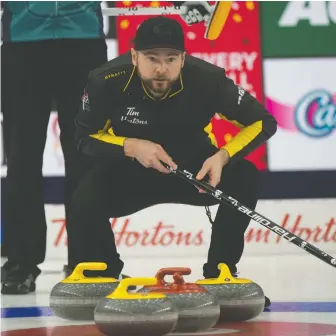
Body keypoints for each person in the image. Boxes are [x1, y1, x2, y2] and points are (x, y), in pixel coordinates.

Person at [69, 16, 277, 308]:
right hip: (131, 174)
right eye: (151, 58)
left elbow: (262, 121)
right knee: (84, 194)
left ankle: (220, 273)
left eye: (170, 59)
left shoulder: (208, 80)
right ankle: (106, 274)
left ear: (183, 59)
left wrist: (221, 156)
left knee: (244, 175)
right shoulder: (105, 80)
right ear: (133, 56)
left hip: (196, 175)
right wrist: (131, 145)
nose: (160, 69)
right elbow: (84, 137)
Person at [1, 1, 107, 294]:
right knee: (22, 159)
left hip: (83, 42)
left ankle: (88, 260)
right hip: (22, 43)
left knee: (85, 154)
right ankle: (20, 262)